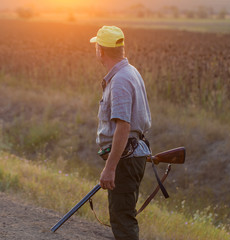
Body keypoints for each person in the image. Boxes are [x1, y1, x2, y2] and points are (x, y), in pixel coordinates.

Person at [90, 26, 152, 240]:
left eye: (96, 46)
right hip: (130, 154)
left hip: (126, 158)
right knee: (122, 214)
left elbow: (123, 127)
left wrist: (110, 168)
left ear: (101, 51)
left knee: (122, 218)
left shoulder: (120, 81)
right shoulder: (129, 71)